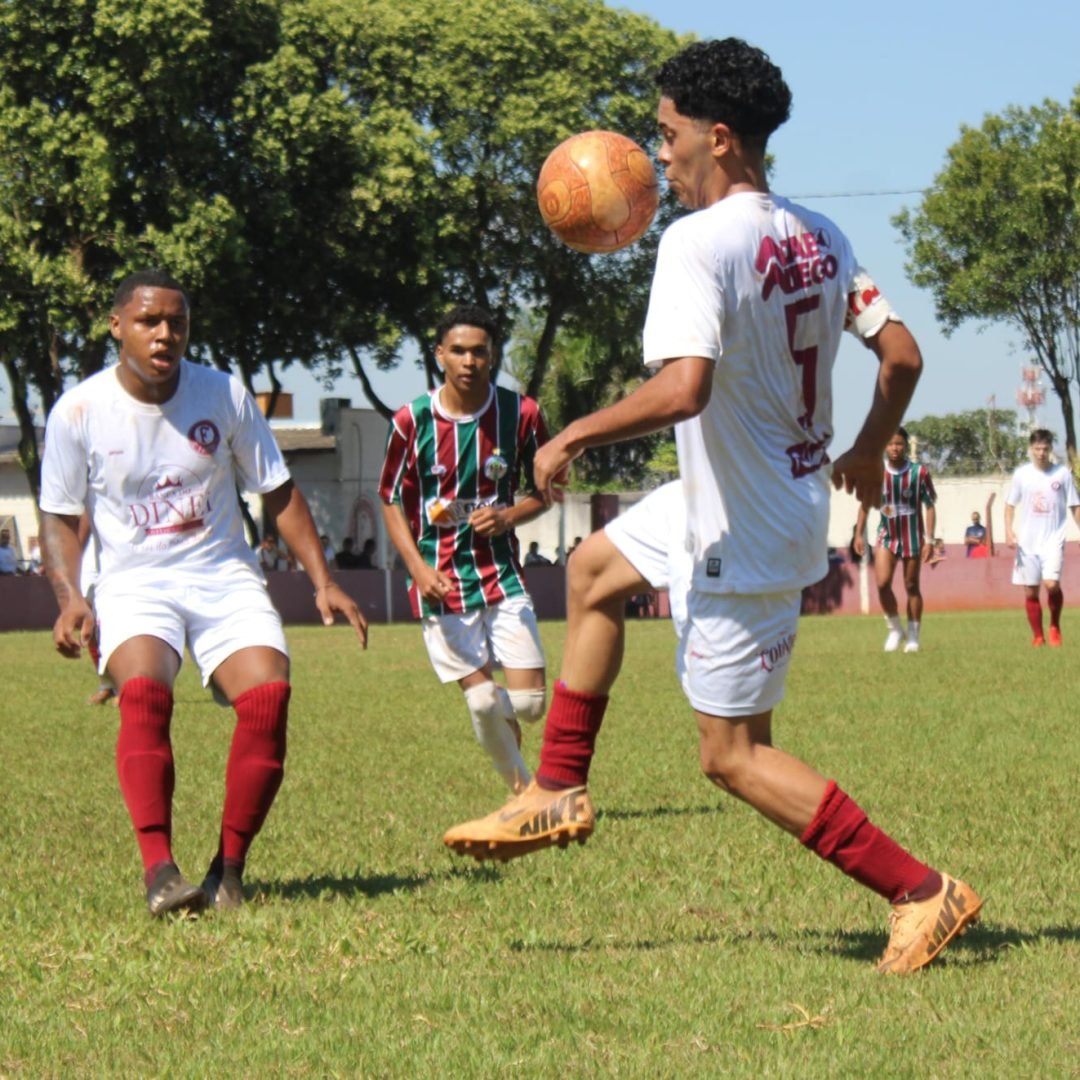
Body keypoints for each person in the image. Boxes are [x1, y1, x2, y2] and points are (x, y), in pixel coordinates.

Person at [443, 39, 981, 974]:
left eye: (667, 137)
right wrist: (858, 445)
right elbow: (902, 356)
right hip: (738, 495)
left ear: (719, 138)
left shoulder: (696, 241)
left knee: (732, 757)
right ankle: (559, 787)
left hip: (748, 521)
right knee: (594, 569)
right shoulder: (821, 234)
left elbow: (684, 388)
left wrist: (573, 434)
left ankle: (922, 891)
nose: (658, 159)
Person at [38, 269, 367, 917]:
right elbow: (57, 516)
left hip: (222, 574)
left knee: (269, 694)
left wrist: (323, 581)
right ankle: (160, 870)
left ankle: (229, 871)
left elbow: (276, 491)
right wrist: (70, 597)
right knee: (144, 692)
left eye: (177, 322)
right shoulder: (78, 410)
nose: (165, 334)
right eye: (149, 321)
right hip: (134, 581)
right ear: (117, 326)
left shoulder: (223, 394)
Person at [380, 303, 550, 794]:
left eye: (479, 352)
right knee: (479, 703)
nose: (469, 361)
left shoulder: (521, 414)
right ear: (440, 356)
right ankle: (525, 793)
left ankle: (504, 715)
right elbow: (390, 499)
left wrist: (509, 516)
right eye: (458, 351)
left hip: (500, 573)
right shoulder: (411, 422)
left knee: (530, 706)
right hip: (441, 581)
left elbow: (548, 490)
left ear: (492, 356)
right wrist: (416, 568)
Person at [853, 428, 937, 653]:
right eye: (890, 444)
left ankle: (913, 636)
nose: (894, 448)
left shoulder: (919, 473)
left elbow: (929, 506)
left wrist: (929, 539)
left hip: (912, 537)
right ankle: (894, 628)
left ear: (906, 445)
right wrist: (859, 533)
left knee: (911, 585)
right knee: (882, 583)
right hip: (887, 536)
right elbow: (864, 505)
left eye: (899, 444)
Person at [1004, 428, 1080, 646]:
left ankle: (1055, 625)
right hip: (1027, 543)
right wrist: (1009, 531)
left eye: (1045, 449)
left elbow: (1075, 505)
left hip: (1053, 539)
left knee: (1051, 584)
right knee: (1030, 590)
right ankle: (1038, 636)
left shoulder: (1062, 474)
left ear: (1050, 449)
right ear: (1031, 449)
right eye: (1037, 449)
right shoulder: (1022, 474)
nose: (1041, 453)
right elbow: (1010, 505)